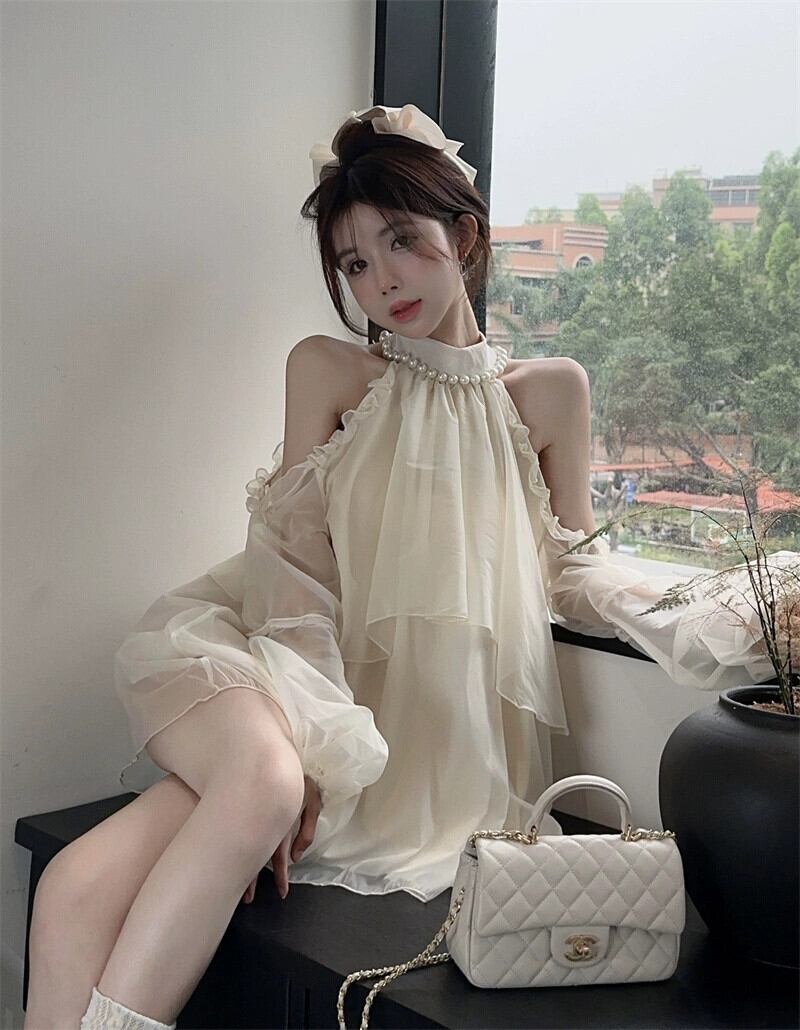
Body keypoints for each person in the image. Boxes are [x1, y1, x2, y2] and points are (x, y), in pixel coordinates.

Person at [24, 104, 776, 1030]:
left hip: (426, 759)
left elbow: (572, 571)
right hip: (269, 667)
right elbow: (290, 574)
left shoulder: (550, 393)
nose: (381, 280)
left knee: (75, 885)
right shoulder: (331, 372)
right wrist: (316, 740)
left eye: (402, 242)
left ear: (465, 238)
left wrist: (728, 611)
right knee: (247, 794)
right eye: (354, 264)